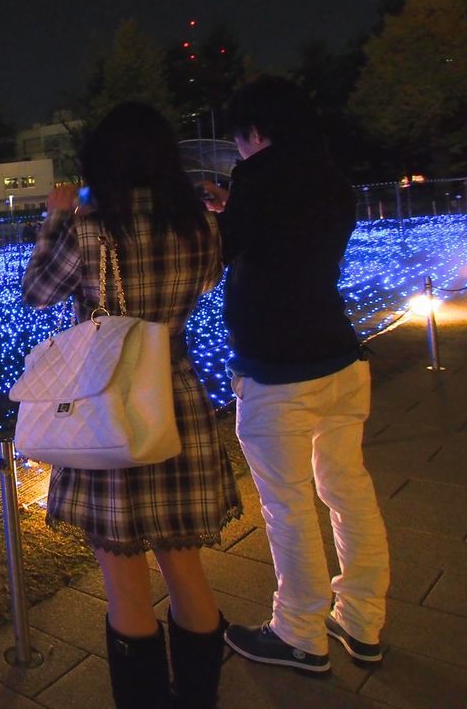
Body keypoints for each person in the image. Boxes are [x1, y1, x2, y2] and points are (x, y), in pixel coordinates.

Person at [23, 102, 242, 709]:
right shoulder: (200, 225)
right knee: (185, 570)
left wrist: (57, 217)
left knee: (124, 579)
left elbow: (38, 293)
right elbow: (202, 286)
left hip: (106, 401)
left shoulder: (89, 228)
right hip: (173, 398)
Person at [203, 76, 389, 673]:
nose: (239, 153)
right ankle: (362, 622)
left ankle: (298, 632)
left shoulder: (259, 177)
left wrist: (218, 217)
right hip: (338, 356)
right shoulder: (331, 178)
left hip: (275, 368)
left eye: (238, 141)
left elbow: (216, 258)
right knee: (348, 490)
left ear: (255, 132)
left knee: (287, 505)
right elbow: (290, 238)